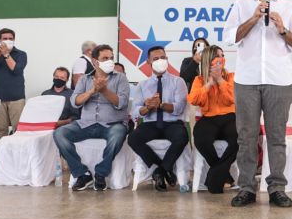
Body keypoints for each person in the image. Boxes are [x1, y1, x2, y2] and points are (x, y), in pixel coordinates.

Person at [224, 0, 292, 208]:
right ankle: (247, 187)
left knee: (277, 136)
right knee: (247, 136)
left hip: (279, 80)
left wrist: (282, 28)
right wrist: (252, 18)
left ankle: (277, 188)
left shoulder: (290, 8)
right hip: (247, 80)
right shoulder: (240, 6)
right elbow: (230, 38)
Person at [53, 44, 130, 191]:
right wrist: (92, 91)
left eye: (111, 58)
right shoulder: (85, 79)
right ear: (95, 61)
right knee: (59, 133)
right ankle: (82, 174)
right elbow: (75, 102)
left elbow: (122, 103)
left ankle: (101, 173)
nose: (110, 61)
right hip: (86, 124)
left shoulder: (120, 79)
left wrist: (104, 90)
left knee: (118, 134)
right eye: (105, 58)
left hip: (112, 124)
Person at [128, 46, 189, 191]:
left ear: (167, 59)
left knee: (182, 136)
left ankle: (159, 172)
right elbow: (135, 111)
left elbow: (179, 108)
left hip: (172, 123)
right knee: (133, 138)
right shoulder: (142, 85)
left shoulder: (178, 81)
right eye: (155, 59)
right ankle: (163, 168)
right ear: (148, 62)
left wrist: (160, 105)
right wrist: (147, 107)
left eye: (163, 58)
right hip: (150, 123)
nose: (160, 61)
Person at [188, 45, 238, 193]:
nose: (222, 59)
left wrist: (220, 81)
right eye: (219, 56)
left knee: (239, 138)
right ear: (210, 60)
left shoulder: (231, 77)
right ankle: (224, 175)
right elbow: (194, 99)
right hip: (209, 118)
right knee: (201, 139)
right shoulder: (199, 79)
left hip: (230, 116)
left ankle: (214, 176)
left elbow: (232, 98)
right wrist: (209, 83)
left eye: (223, 56)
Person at [0, 27, 27, 143]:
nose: (8, 40)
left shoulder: (21, 54)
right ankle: (2, 156)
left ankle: (18, 155)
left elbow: (16, 70)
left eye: (10, 38)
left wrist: (6, 55)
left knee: (18, 129)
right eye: (5, 38)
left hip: (17, 99)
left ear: (14, 39)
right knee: (1, 129)